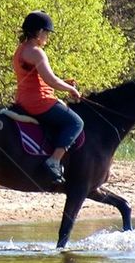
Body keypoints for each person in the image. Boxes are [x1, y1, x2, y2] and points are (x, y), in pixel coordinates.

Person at [13, 10, 83, 184]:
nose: (47, 38)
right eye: (46, 33)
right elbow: (51, 80)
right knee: (76, 122)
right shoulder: (37, 52)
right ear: (38, 32)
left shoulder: (21, 50)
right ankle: (54, 161)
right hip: (39, 102)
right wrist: (70, 90)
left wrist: (64, 82)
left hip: (23, 99)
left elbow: (38, 77)